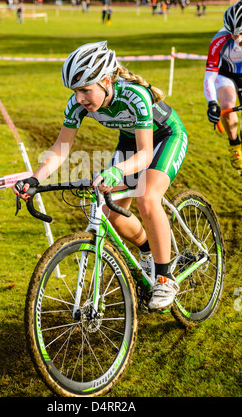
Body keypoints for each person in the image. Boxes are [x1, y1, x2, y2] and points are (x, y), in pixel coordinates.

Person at [13, 41, 188, 311]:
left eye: (85, 90)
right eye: (75, 91)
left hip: (165, 137)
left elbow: (145, 153)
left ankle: (165, 278)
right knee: (110, 212)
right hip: (131, 142)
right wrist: (35, 178)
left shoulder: (134, 95)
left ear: (106, 81)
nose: (80, 98)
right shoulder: (77, 104)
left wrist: (117, 170)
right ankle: (148, 253)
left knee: (147, 198)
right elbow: (61, 148)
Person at [204, 0, 242, 173]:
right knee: (227, 105)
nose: (238, 39)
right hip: (226, 74)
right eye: (234, 34)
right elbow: (209, 77)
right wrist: (212, 102)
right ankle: (235, 145)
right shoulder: (219, 41)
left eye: (241, 33)